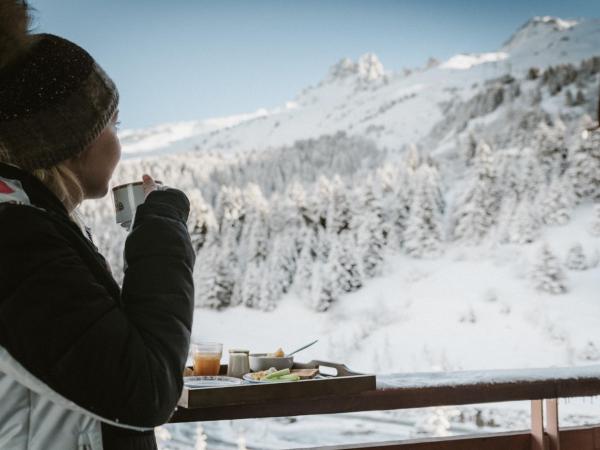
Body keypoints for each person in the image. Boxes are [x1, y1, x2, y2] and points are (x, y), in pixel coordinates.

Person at [0, 1, 195, 449]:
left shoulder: (29, 223)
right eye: (113, 123)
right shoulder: (16, 239)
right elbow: (143, 388)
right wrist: (162, 226)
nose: (119, 140)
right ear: (74, 143)